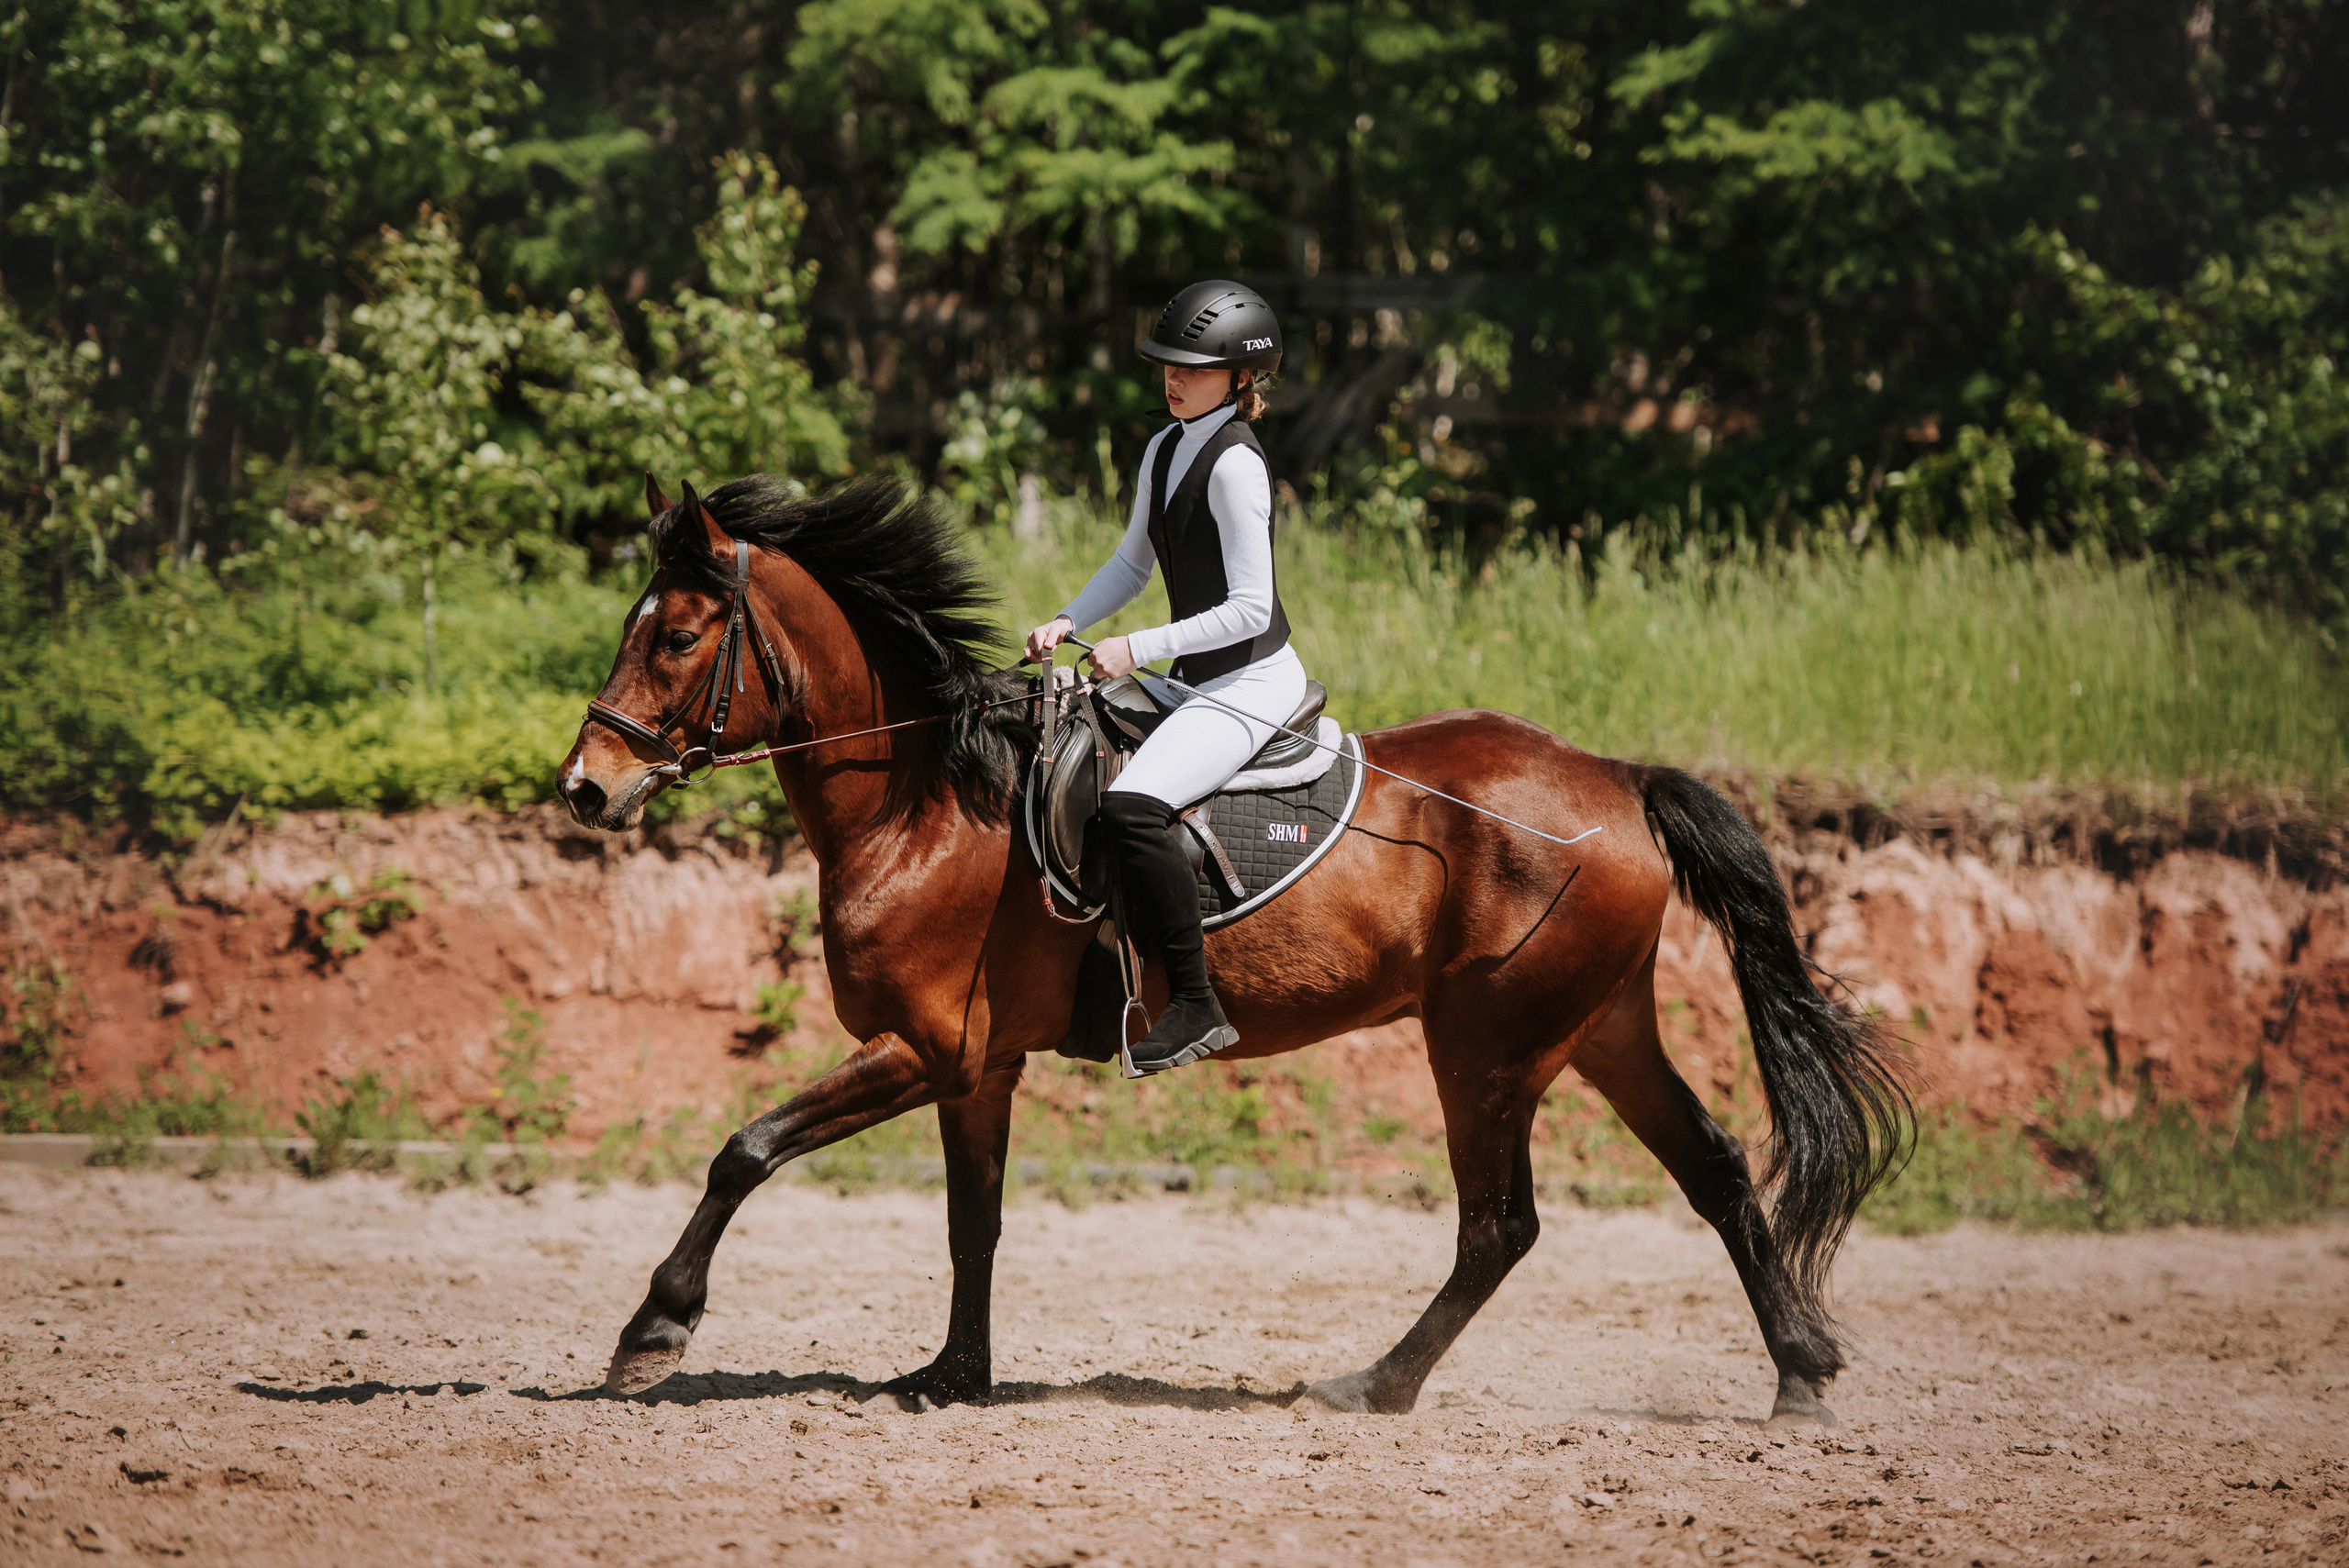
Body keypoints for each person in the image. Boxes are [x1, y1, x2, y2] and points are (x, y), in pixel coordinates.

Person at [1025, 280, 1306, 1076]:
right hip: (1194, 677)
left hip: (1251, 683)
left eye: (1191, 367)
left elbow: (1251, 609)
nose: (1172, 380)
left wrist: (1137, 647)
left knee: (1132, 805)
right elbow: (1130, 562)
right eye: (1167, 366)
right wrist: (1071, 621)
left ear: (1241, 378)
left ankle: (1195, 1003)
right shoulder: (1165, 446)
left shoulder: (1236, 468)